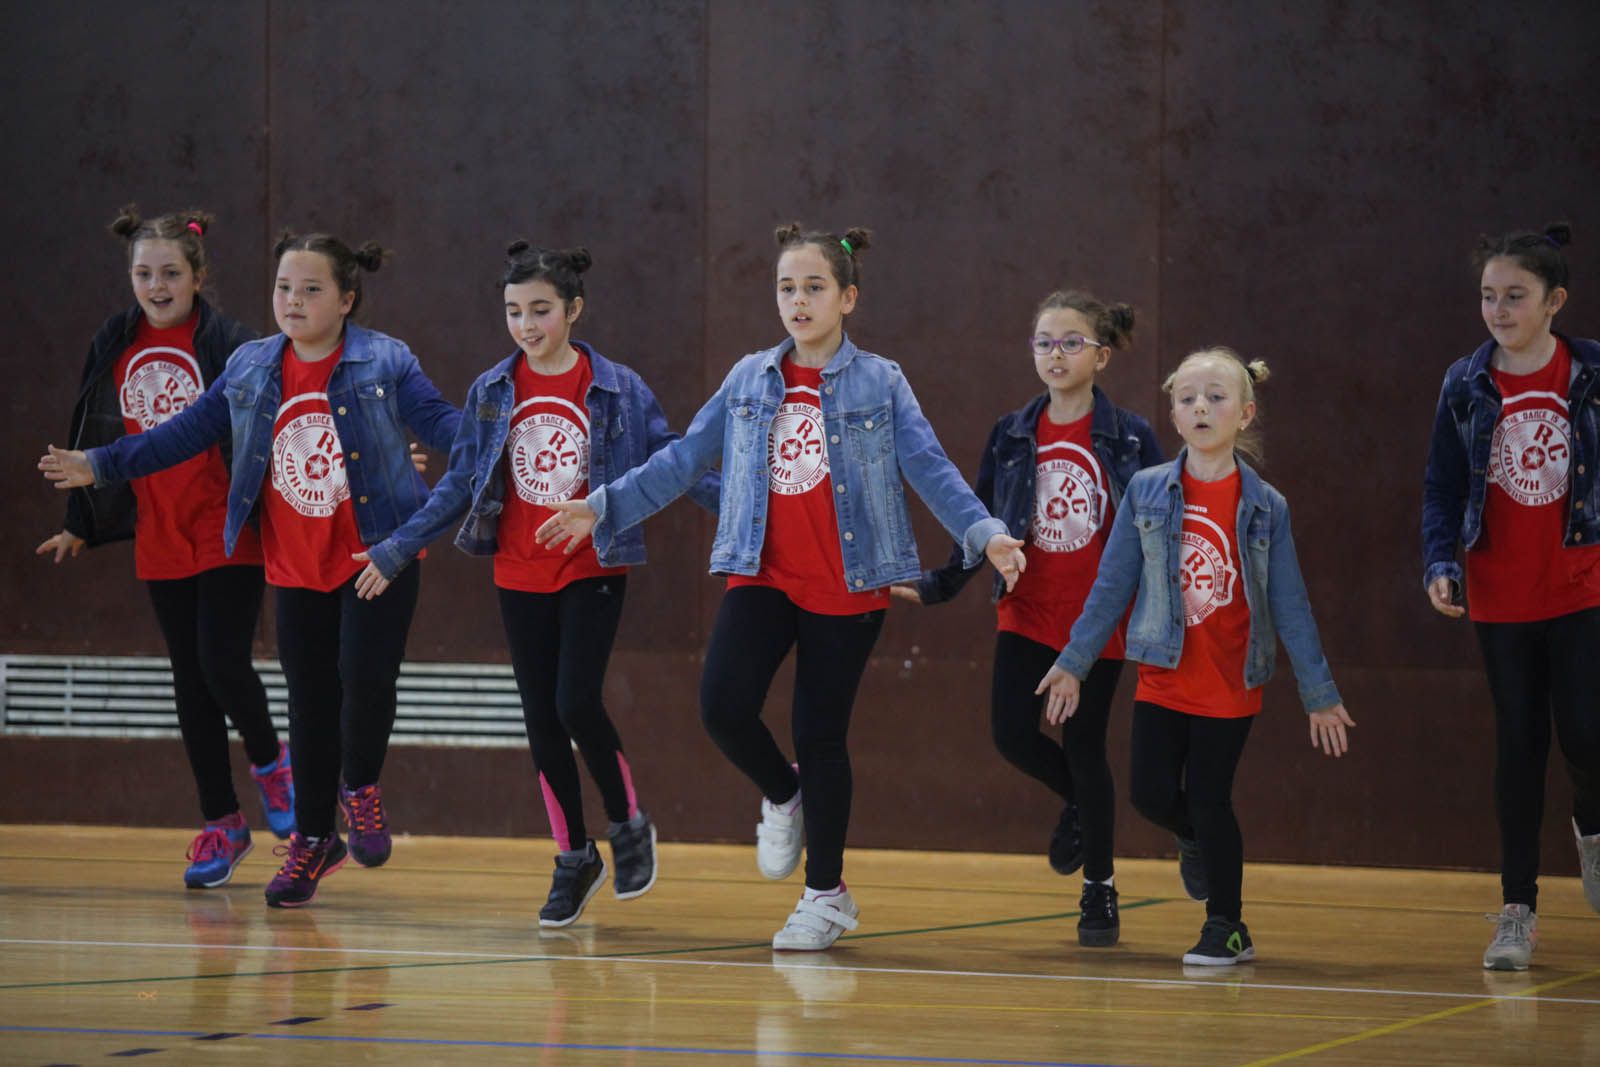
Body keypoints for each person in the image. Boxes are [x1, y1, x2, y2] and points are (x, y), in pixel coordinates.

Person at [537, 223, 1025, 950]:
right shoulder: (749, 378)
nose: (798, 300)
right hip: (762, 571)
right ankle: (784, 792)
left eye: (814, 287)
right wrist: (603, 505)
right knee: (722, 705)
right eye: (786, 287)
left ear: (847, 297)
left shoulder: (880, 381)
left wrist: (984, 532)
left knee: (819, 733)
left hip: (849, 583)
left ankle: (826, 894)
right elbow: (682, 460)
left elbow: (930, 466)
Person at [41, 231, 461, 908]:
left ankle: (360, 785)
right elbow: (183, 433)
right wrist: (101, 463)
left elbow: (442, 425)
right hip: (296, 561)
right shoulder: (252, 365)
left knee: (364, 680)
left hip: (377, 555)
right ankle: (314, 840)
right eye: (284, 288)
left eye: (311, 289)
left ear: (346, 299)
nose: (292, 301)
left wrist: (499, 437)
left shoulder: (386, 360)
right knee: (309, 701)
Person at [351, 242, 718, 927]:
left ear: (574, 310)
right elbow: (460, 483)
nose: (526, 324)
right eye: (514, 311)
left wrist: (749, 520)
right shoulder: (494, 390)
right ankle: (573, 856)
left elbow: (674, 461)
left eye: (541, 310)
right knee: (542, 720)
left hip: (592, 567)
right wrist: (398, 547)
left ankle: (626, 820)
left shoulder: (617, 387)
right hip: (518, 574)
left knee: (576, 701)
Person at [1038, 346, 1354, 966]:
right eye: (1187, 399)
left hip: (1230, 680)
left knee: (1211, 799)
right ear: (1174, 414)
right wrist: (1074, 661)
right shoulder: (1147, 492)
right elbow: (1112, 584)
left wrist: (1319, 694)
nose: (1200, 408)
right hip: (1163, 672)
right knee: (1150, 795)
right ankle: (1193, 838)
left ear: (1245, 413)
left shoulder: (1266, 506)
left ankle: (1227, 926)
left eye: (1215, 397)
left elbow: (1290, 604)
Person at [893, 289, 1161, 947]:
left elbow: (1160, 529)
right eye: (1044, 342)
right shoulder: (1012, 433)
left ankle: (1099, 888)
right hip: (1027, 609)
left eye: (1071, 342)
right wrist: (940, 585)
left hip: (1098, 620)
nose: (1055, 354)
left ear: (1100, 355)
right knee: (1012, 733)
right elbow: (977, 517)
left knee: (1083, 745)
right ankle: (1082, 803)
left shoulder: (1132, 437)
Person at [37, 205, 291, 889]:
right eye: (144, 273)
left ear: (198, 277)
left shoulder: (228, 343)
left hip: (226, 522)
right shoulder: (115, 340)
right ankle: (223, 822)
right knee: (189, 680)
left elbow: (275, 418)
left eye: (171, 273)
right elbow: (92, 429)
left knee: (221, 661)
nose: (157, 286)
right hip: (162, 529)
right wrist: (82, 521)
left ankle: (272, 763)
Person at [1421, 222, 1600, 971]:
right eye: (1489, 295)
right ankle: (1518, 910)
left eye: (1515, 296)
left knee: (1587, 735)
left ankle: (1592, 829)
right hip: (1501, 595)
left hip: (1583, 585)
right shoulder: (1464, 382)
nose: (1498, 309)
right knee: (1521, 746)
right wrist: (1440, 559)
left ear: (1554, 301)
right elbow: (1441, 484)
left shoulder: (1590, 372)